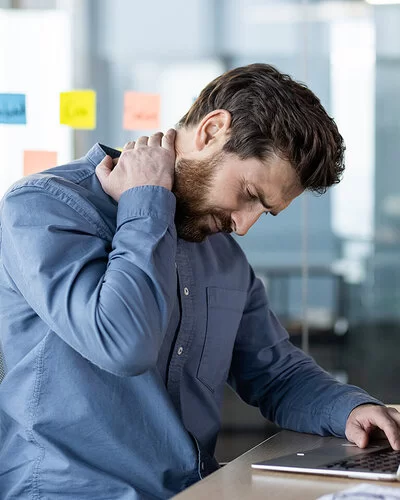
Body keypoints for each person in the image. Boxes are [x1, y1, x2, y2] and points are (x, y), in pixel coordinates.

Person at [0, 63, 399, 500]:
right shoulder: (45, 208)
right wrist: (145, 202)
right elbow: (121, 343)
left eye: (264, 212)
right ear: (211, 131)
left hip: (194, 491)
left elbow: (274, 371)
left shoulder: (219, 251)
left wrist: (351, 408)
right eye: (250, 195)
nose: (243, 226)